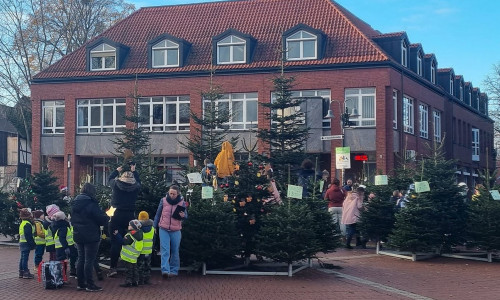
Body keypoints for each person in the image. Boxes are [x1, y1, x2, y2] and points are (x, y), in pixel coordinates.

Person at [71, 183, 109, 292]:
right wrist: (107, 216)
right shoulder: (91, 204)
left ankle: (81, 284)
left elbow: (73, 220)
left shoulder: (75, 204)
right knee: (89, 260)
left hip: (78, 234)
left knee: (81, 258)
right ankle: (90, 284)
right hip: (91, 235)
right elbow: (101, 219)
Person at [107, 164, 141, 277]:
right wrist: (134, 171)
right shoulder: (135, 187)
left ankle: (113, 268)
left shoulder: (116, 185)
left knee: (115, 243)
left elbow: (109, 179)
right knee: (130, 240)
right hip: (130, 216)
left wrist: (116, 171)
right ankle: (130, 266)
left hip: (116, 215)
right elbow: (139, 182)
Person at [153, 185, 187, 278]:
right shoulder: (163, 201)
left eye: (174, 194)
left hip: (176, 230)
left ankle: (174, 270)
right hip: (163, 228)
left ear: (178, 194)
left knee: (175, 250)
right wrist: (154, 226)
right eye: (170, 193)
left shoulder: (182, 202)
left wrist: (183, 215)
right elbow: (158, 214)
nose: (172, 195)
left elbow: (186, 216)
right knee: (165, 250)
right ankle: (165, 270)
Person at [113, 220, 143, 288]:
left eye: (130, 225)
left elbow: (123, 242)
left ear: (133, 227)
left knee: (128, 270)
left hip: (128, 257)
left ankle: (128, 282)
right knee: (134, 269)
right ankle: (135, 281)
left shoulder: (130, 236)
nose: (128, 226)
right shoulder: (139, 234)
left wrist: (117, 235)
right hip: (134, 256)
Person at [51, 211, 78, 279]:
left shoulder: (55, 225)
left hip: (59, 247)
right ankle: (63, 277)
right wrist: (66, 247)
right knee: (64, 263)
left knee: (61, 262)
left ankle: (61, 277)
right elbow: (62, 238)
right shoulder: (64, 227)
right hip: (64, 247)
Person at [342, 184, 365, 249]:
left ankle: (358, 241)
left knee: (355, 227)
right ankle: (348, 243)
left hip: (348, 213)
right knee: (352, 228)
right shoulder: (359, 196)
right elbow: (359, 206)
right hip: (355, 214)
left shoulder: (349, 195)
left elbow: (344, 204)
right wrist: (364, 208)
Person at [137, 211, 154, 285]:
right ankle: (147, 280)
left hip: (140, 251)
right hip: (149, 250)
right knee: (148, 266)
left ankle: (140, 280)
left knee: (140, 266)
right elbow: (154, 239)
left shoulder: (138, 229)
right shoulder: (153, 228)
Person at [18, 208, 35, 279]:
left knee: (22, 258)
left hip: (22, 242)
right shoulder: (27, 224)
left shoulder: (23, 222)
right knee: (25, 258)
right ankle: (26, 272)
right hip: (26, 243)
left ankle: (21, 272)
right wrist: (32, 244)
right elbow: (28, 236)